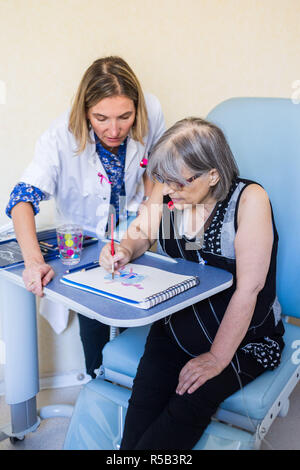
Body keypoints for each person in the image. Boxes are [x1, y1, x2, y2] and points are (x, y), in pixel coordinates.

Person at [99, 117, 285, 449]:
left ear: (212, 174)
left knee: (179, 417)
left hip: (241, 339)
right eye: (163, 180)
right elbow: (142, 233)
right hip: (176, 325)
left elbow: (250, 289)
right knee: (139, 419)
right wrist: (125, 250)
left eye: (178, 182)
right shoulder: (171, 190)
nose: (168, 190)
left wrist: (216, 358)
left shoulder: (249, 200)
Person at [6, 56, 165, 379]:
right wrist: (34, 262)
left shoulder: (152, 112)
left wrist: (147, 223)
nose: (115, 129)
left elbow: (155, 170)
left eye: (125, 117)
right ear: (85, 111)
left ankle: (134, 398)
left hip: (133, 230)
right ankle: (98, 387)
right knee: (95, 320)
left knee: (139, 319)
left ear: (137, 109)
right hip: (84, 238)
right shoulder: (60, 135)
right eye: (101, 118)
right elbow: (22, 199)